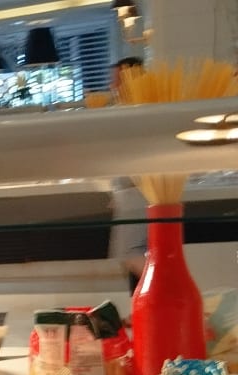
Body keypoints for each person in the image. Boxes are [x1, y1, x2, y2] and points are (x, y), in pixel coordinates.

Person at [107, 57, 147, 292]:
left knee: (131, 254)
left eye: (118, 80)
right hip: (129, 193)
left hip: (137, 192)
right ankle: (144, 304)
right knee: (131, 255)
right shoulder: (125, 109)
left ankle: (163, 289)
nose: (113, 85)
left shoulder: (140, 109)